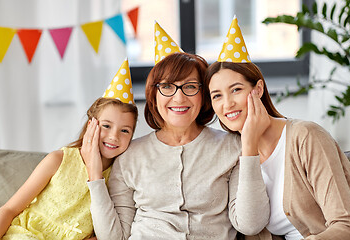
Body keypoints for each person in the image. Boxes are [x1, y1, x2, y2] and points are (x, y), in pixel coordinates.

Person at [85, 22, 270, 240]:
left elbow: (251, 224)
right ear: (154, 95)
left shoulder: (232, 147)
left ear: (204, 96)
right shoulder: (130, 156)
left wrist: (249, 149)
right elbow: (114, 237)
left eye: (190, 86)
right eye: (167, 86)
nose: (179, 97)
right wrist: (95, 176)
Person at [205, 16, 350, 240]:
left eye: (236, 89)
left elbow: (348, 227)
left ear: (258, 89)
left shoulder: (305, 137)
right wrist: (248, 146)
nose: (227, 104)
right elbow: (250, 226)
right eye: (216, 96)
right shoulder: (234, 154)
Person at [0, 59, 138, 240]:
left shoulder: (120, 177)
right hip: (27, 234)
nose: (114, 136)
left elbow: (106, 233)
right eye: (106, 126)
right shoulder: (59, 159)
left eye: (124, 130)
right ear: (91, 125)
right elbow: (10, 209)